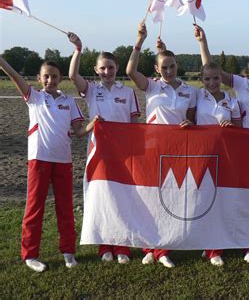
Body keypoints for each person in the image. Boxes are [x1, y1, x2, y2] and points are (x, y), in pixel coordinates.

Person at [194, 25, 249, 263]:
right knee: (242, 197)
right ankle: (247, 245)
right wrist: (203, 42)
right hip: (242, 150)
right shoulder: (241, 84)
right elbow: (211, 70)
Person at [0, 55, 97, 272]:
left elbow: (79, 132)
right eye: (46, 76)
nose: (50, 80)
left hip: (63, 160)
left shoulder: (69, 101)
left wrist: (91, 125)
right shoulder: (33, 96)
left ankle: (68, 252)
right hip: (39, 159)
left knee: (65, 208)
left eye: (54, 77)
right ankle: (30, 255)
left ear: (60, 78)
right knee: (35, 208)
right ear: (39, 78)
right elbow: (14, 75)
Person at [126, 22, 197, 268]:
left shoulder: (191, 91)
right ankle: (150, 246)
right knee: (150, 198)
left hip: (178, 149)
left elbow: (193, 120)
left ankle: (164, 246)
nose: (168, 70)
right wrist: (139, 40)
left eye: (172, 66)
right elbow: (130, 70)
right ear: (156, 69)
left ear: (178, 66)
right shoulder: (152, 85)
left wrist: (189, 123)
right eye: (163, 67)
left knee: (171, 198)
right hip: (153, 147)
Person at [68, 32, 140, 264]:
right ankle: (105, 246)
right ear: (97, 70)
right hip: (98, 152)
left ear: (117, 68)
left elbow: (134, 126)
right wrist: (78, 50)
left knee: (122, 198)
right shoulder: (90, 90)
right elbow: (72, 75)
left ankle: (123, 247)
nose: (106, 72)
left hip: (123, 154)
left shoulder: (128, 92)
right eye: (102, 68)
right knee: (101, 198)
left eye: (110, 67)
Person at [193, 27, 242, 266]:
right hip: (201, 155)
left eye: (215, 78)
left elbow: (240, 130)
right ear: (201, 81)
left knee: (221, 200)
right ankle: (206, 243)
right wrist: (203, 42)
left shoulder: (231, 101)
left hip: (224, 156)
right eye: (207, 79)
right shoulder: (196, 97)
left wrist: (229, 126)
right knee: (202, 200)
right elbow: (189, 123)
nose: (212, 82)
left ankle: (217, 247)